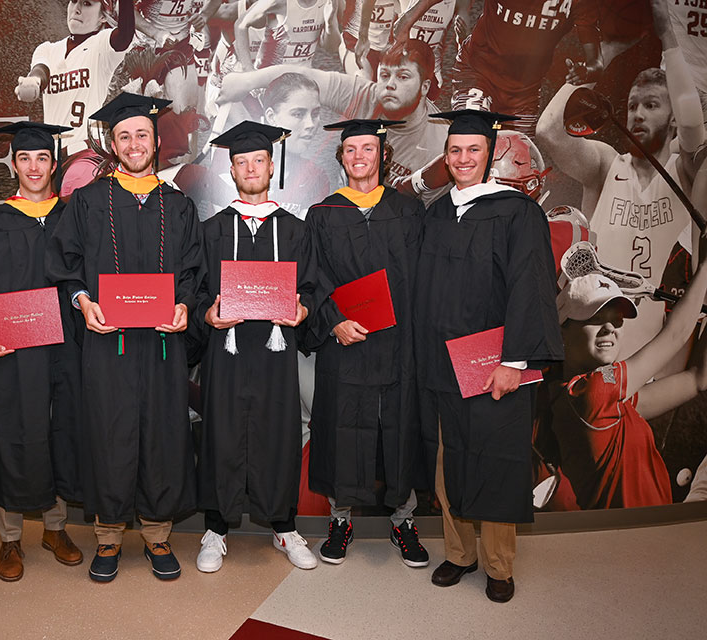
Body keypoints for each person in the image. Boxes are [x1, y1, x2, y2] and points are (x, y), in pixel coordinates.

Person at [46, 92, 203, 583]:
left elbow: (194, 272)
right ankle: (108, 537)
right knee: (109, 435)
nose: (133, 144)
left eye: (141, 135)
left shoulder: (177, 204)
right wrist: (82, 304)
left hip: (159, 345)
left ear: (156, 142)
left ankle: (157, 535)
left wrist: (183, 306)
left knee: (160, 435)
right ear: (111, 143)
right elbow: (64, 267)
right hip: (105, 343)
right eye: (123, 136)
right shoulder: (89, 201)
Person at [414, 110, 563, 603]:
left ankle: (499, 565)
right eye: (455, 150)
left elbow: (531, 289)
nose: (462, 159)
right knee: (448, 460)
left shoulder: (518, 212)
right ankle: (459, 554)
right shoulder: (435, 214)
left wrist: (515, 362)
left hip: (494, 364)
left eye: (473, 150)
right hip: (443, 364)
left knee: (496, 460)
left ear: (490, 154)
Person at [536, 0, 707, 361]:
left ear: (674, 119)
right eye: (632, 106)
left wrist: (668, 38)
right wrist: (594, 70)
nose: (637, 115)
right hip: (590, 338)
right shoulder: (607, 164)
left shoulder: (687, 172)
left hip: (652, 347)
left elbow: (694, 132)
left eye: (651, 105)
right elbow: (549, 132)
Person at [193, 121, 320, 573]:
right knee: (221, 434)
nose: (250, 168)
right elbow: (195, 290)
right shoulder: (210, 231)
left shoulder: (296, 230)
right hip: (224, 355)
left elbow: (312, 288)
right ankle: (216, 528)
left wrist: (302, 313)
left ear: (271, 167)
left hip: (275, 353)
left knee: (278, 434)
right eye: (241, 162)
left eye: (258, 161)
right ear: (231, 170)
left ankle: (284, 526)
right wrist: (207, 314)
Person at [305, 119, 429, 567]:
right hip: (347, 345)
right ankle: (341, 520)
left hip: (400, 344)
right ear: (341, 158)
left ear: (382, 155)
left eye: (368, 149)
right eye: (351, 149)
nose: (359, 157)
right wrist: (334, 321)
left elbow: (423, 281)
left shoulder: (408, 211)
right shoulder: (323, 215)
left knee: (401, 428)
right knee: (343, 428)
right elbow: (311, 280)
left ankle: (404, 521)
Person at [0, 122, 85, 581]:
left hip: (68, 346)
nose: (34, 167)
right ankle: (9, 537)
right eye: (24, 159)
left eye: (42, 159)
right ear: (12, 164)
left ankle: (55, 529)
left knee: (60, 431)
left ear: (53, 164)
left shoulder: (73, 217)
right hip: (13, 349)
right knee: (14, 433)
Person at [541, 261, 707, 510]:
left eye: (617, 320)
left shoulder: (595, 399)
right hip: (633, 539)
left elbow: (697, 379)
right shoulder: (592, 392)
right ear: (561, 333)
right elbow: (676, 335)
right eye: (595, 318)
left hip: (641, 537)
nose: (610, 328)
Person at [217, 40, 448, 204]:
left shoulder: (441, 140)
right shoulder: (365, 94)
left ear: (425, 87)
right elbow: (304, 76)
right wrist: (246, 81)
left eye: (403, 77)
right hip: (346, 203)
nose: (390, 84)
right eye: (385, 75)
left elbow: (432, 215)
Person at [394, 0, 603, 135]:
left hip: (524, 93)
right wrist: (407, 20)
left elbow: (596, 63)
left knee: (516, 166)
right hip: (478, 72)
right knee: (471, 136)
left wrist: (588, 70)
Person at [15, 0, 135, 198]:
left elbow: (125, 35)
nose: (76, 8)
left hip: (86, 154)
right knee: (32, 214)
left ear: (103, 16)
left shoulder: (102, 45)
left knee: (74, 198)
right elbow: (40, 72)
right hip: (50, 157)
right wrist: (34, 82)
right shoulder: (47, 49)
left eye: (87, 4)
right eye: (74, 1)